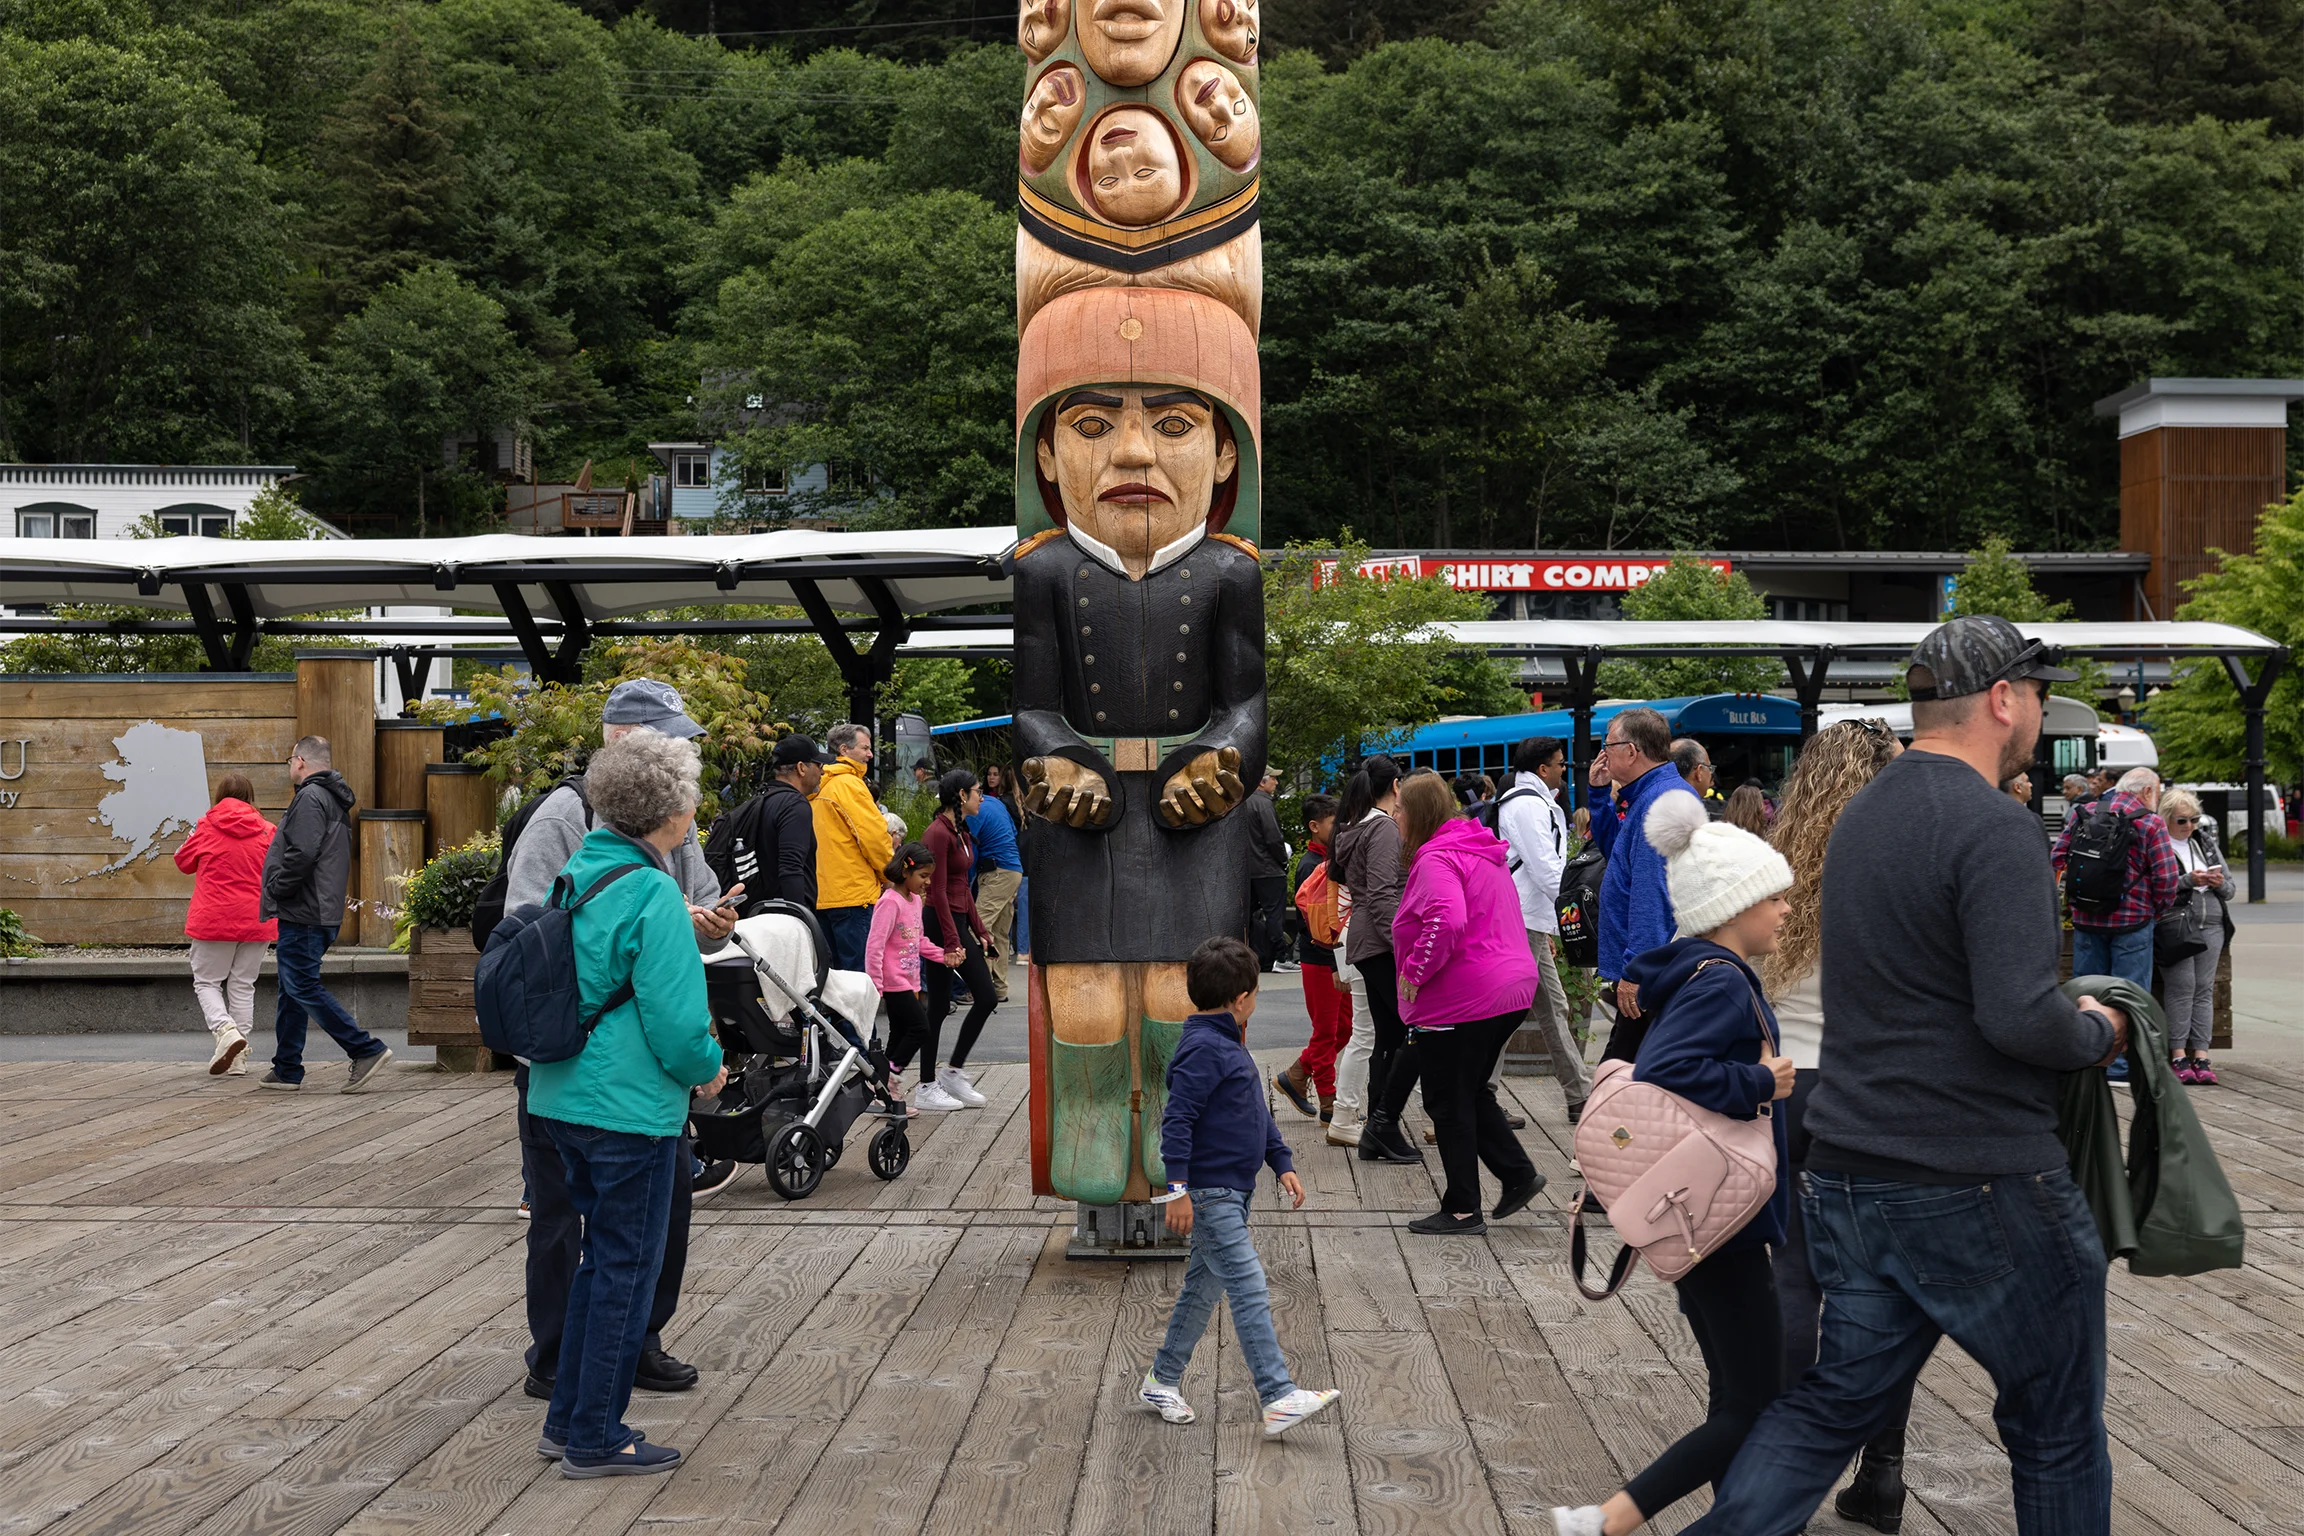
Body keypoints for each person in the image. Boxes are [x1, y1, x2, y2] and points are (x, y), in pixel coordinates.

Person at [1674, 614, 2128, 1536]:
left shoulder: (1863, 821)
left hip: (1851, 1167)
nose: (2039, 710)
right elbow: (2017, 1017)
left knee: (1825, 1409)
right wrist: (2099, 1027)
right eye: (2037, 693)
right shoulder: (1995, 826)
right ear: (2003, 700)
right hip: (1981, 1174)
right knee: (2057, 1432)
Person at [1550, 793, 1796, 1536]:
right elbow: (1666, 1072)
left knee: (1737, 1392)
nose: (1786, 910)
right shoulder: (1722, 979)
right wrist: (1762, 1082)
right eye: (1774, 897)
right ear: (1733, 905)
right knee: (1760, 1400)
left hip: (1698, 1216)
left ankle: (1737, 1520)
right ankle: (1610, 1520)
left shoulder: (1686, 971)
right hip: (1722, 1219)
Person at [509, 681, 741, 1408]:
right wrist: (654, 926)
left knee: (662, 1207)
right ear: (621, 736)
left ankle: (635, 1342)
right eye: (667, 736)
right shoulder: (564, 815)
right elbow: (527, 929)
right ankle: (556, 1358)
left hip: (646, 1068)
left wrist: (710, 924)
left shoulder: (671, 823)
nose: (681, 750)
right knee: (559, 1213)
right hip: (577, 1051)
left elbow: (704, 899)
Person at [1759, 718, 1913, 1526]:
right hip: (1879, 1089)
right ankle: (1882, 1472)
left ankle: (1783, 1475)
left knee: (1791, 1281)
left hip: (1791, 1083)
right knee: (1881, 1286)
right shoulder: (1907, 854)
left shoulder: (1779, 861)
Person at [1138, 936, 1342, 1439]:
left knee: (1202, 1288)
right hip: (1210, 1193)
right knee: (1248, 1285)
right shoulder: (1204, 1049)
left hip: (1231, 1188)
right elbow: (1177, 1122)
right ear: (1242, 998)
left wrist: (1281, 1159)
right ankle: (1277, 1396)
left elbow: (1252, 1112)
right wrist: (1178, 1190)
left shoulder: (1226, 1044)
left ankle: (1161, 1380)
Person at [1390, 772, 1542, 1236]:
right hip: (1509, 987)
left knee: (1447, 1099)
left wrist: (1415, 970)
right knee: (1471, 1089)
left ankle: (1461, 1208)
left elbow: (1446, 919)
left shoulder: (1436, 858)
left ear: (1415, 814)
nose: (1393, 817)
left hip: (1465, 997)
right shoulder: (1479, 849)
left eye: (1398, 810)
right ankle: (1517, 1175)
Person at [256, 736, 392, 1092]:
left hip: (305, 909)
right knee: (292, 988)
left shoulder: (310, 798)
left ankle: (365, 1049)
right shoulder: (331, 799)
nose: (289, 768)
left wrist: (275, 889)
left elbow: (301, 855)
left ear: (300, 761)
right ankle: (286, 1067)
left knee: (301, 985)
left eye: (289, 761)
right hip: (319, 908)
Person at [1587, 708, 1699, 1063]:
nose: (1602, 755)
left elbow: (1652, 895)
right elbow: (1617, 853)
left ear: (1631, 752)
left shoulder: (1659, 802)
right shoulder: (1654, 795)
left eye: (1608, 746)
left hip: (1654, 971)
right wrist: (1598, 795)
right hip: (1658, 966)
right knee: (1629, 1074)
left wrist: (1636, 970)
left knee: (1620, 1076)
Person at [1496, 736, 1591, 1122]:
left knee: (1552, 1007)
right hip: (1523, 918)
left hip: (1526, 917)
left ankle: (1578, 1093)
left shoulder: (1525, 803)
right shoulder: (1529, 807)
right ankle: (1482, 1093)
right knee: (1507, 1011)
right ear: (1542, 769)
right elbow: (1545, 867)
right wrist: (1575, 907)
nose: (1564, 770)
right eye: (1560, 763)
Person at [1332, 756, 1420, 1163]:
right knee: (1407, 1034)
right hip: (1382, 940)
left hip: (1367, 938)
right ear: (1397, 785)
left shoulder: (1356, 824)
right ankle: (1383, 1125)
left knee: (1388, 1034)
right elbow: (1384, 893)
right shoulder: (1382, 827)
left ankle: (1378, 1129)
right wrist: (1404, 950)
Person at [175, 773, 276, 1076]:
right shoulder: (268, 830)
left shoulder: (205, 826)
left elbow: (182, 861)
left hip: (214, 918)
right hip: (257, 919)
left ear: (219, 796)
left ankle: (226, 1031)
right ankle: (239, 1059)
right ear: (250, 797)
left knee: (207, 982)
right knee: (243, 985)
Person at [2052, 765, 2182, 995]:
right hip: (2133, 921)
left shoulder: (2085, 812)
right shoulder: (2151, 823)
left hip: (2086, 917)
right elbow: (2167, 878)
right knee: (2129, 998)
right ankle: (2124, 1031)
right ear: (2147, 790)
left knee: (2088, 995)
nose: (2158, 800)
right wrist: (2156, 911)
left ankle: (2091, 1031)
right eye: (2158, 795)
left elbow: (2057, 859)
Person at [918, 769, 997, 1112]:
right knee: (948, 1004)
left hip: (957, 920)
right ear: (962, 795)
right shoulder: (937, 833)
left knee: (979, 999)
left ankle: (949, 1073)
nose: (983, 797)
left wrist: (980, 929)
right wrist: (952, 941)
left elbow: (962, 886)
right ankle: (928, 1083)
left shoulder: (961, 831)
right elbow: (935, 890)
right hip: (940, 922)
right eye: (979, 791)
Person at [1274, 794, 1353, 1129]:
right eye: (1334, 823)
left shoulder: (1331, 859)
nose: (1339, 829)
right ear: (1314, 826)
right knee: (1326, 1030)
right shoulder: (1311, 864)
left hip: (1335, 959)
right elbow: (1317, 926)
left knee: (1346, 1028)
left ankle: (1297, 1073)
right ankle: (1328, 1100)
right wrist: (1334, 963)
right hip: (1321, 960)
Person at [870, 843, 952, 1114]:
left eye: (929, 877)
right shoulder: (889, 902)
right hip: (893, 983)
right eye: (924, 876)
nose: (927, 882)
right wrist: (875, 984)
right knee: (921, 1028)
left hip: (910, 981)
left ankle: (881, 1091)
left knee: (899, 1035)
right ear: (906, 871)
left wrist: (944, 956)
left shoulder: (915, 901)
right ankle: (892, 1077)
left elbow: (919, 941)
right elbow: (875, 946)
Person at [2157, 789, 2231, 1085]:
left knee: (2204, 990)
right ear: (2166, 819)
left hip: (2212, 922)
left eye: (2195, 819)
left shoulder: (2205, 842)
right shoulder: (2160, 843)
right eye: (2182, 820)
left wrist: (2218, 882)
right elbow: (2157, 885)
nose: (2190, 826)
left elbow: (2231, 889)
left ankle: (2201, 1056)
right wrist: (2189, 880)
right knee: (2181, 988)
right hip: (2176, 924)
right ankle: (2178, 1055)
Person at [702, 734, 823, 912]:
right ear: (801, 768)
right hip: (782, 919)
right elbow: (791, 868)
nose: (823, 771)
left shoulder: (762, 799)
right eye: (819, 765)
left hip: (756, 913)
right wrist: (800, 919)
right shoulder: (795, 805)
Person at [811, 722, 895, 973]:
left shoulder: (819, 785)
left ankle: (834, 1015)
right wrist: (890, 874)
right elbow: (873, 837)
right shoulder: (850, 785)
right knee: (857, 974)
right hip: (853, 892)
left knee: (832, 973)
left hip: (823, 893)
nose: (870, 754)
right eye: (865, 748)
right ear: (845, 749)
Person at [966, 779, 1025, 1003]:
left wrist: (967, 882)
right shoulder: (997, 803)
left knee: (981, 930)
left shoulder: (974, 811)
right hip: (1013, 870)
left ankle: (982, 987)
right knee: (1000, 933)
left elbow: (970, 851)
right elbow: (1013, 830)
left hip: (996, 872)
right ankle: (999, 988)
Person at [1244, 769, 1290, 971]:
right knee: (1274, 914)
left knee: (1246, 915)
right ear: (1261, 782)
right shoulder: (1263, 803)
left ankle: (1249, 953)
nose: (1276, 782)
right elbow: (1273, 838)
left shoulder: (1241, 803)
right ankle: (1280, 957)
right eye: (1273, 778)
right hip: (1269, 869)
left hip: (1247, 869)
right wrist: (1283, 860)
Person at [1671, 737, 1724, 817]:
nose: (1712, 782)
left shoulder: (1654, 803)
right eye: (1709, 768)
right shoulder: (1695, 819)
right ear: (1699, 772)